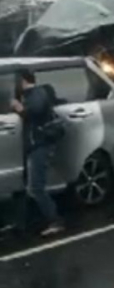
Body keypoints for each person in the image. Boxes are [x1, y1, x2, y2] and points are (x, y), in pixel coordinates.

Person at [10, 69, 64, 236]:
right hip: (34, 146)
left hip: (40, 145)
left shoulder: (36, 93)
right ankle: (24, 223)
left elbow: (36, 110)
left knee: (36, 187)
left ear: (23, 80)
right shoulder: (31, 94)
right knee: (28, 186)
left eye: (17, 80)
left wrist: (19, 109)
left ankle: (55, 220)